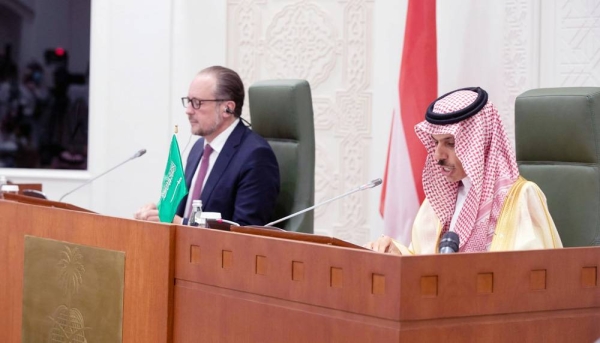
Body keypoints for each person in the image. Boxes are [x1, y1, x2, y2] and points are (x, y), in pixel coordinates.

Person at [366, 87, 562, 254]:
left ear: (479, 143)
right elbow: (422, 262)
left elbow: (533, 276)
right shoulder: (439, 200)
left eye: (450, 143)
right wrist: (395, 252)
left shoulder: (520, 199)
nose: (437, 155)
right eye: (435, 143)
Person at [135, 66, 280, 226]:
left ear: (227, 108)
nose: (188, 111)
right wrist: (158, 211)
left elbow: (245, 233)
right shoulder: (199, 148)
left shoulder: (256, 156)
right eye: (188, 101)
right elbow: (185, 211)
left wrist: (178, 223)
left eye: (197, 103)